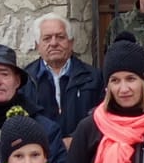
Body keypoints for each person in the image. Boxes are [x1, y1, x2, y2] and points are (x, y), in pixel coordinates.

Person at [24, 15, 103, 151]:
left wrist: (76, 139)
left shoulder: (93, 77)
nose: (54, 43)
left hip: (84, 153)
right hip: (41, 157)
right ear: (37, 45)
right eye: (47, 38)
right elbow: (24, 122)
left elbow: (102, 116)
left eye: (60, 37)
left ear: (71, 42)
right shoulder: (25, 80)